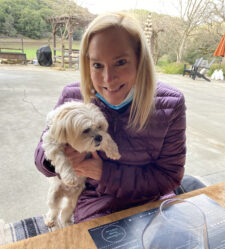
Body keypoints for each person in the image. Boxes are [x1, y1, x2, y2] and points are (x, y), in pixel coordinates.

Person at [34, 12, 186, 224]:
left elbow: (169, 177)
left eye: (120, 62)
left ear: (140, 60)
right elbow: (42, 154)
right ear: (87, 64)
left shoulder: (171, 104)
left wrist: (105, 173)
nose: (108, 78)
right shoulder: (72, 96)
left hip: (151, 202)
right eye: (97, 65)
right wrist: (59, 162)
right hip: (95, 205)